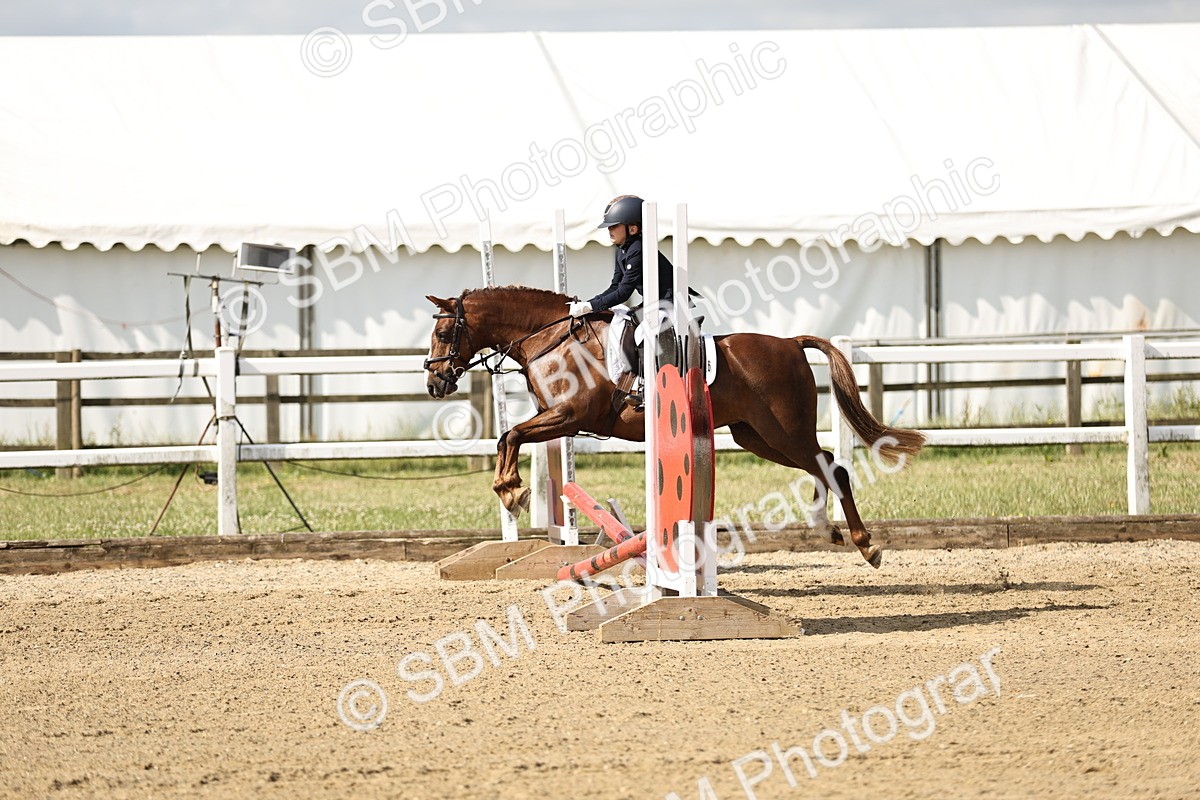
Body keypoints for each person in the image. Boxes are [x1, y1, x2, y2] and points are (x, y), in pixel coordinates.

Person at [566, 195, 676, 319]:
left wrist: (591, 306)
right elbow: (615, 286)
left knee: (639, 332)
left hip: (670, 304)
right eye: (609, 226)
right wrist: (588, 303)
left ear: (633, 229)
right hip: (652, 303)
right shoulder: (621, 250)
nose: (609, 230)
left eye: (614, 226)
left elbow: (624, 292)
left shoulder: (638, 250)